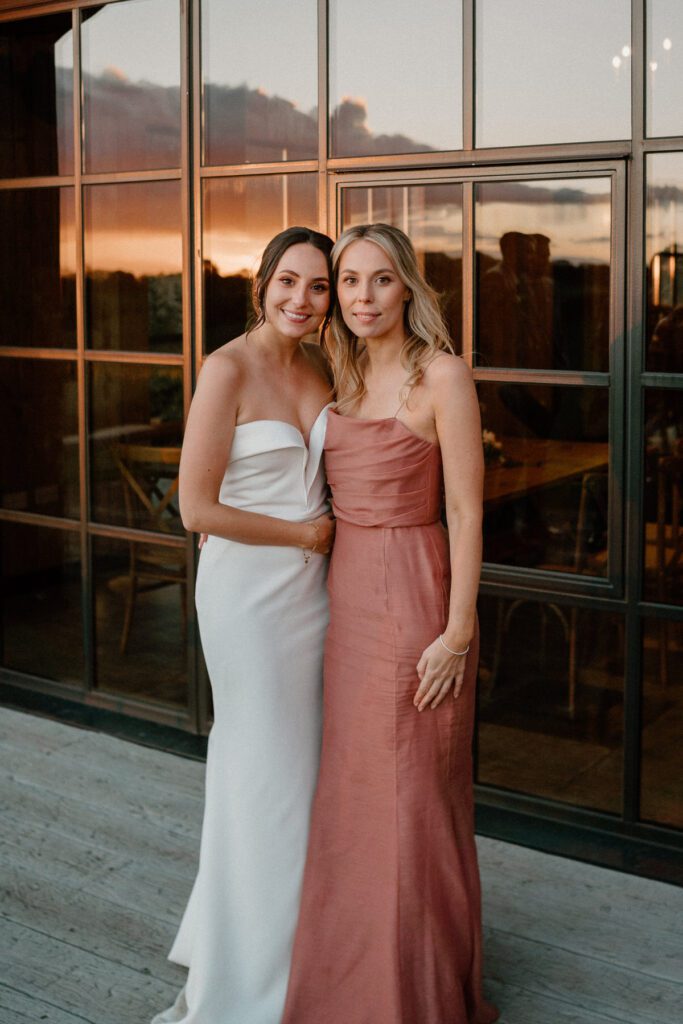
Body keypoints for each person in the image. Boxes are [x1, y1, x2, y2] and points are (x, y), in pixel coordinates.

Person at [282, 223, 499, 1024]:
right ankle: (350, 986)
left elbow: (467, 512)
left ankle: (415, 994)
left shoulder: (441, 374)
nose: (361, 297)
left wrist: (456, 632)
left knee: (414, 801)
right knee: (354, 796)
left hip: (416, 601)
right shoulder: (332, 370)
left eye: (379, 280)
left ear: (407, 286)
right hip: (345, 605)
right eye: (347, 282)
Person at [151, 226, 336, 1024]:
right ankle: (251, 977)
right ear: (260, 284)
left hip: (319, 596)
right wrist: (302, 535)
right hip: (248, 597)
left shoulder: (328, 365)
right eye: (288, 281)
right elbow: (196, 509)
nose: (302, 299)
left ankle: (306, 946)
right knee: (264, 771)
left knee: (305, 775)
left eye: (319, 287)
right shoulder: (225, 367)